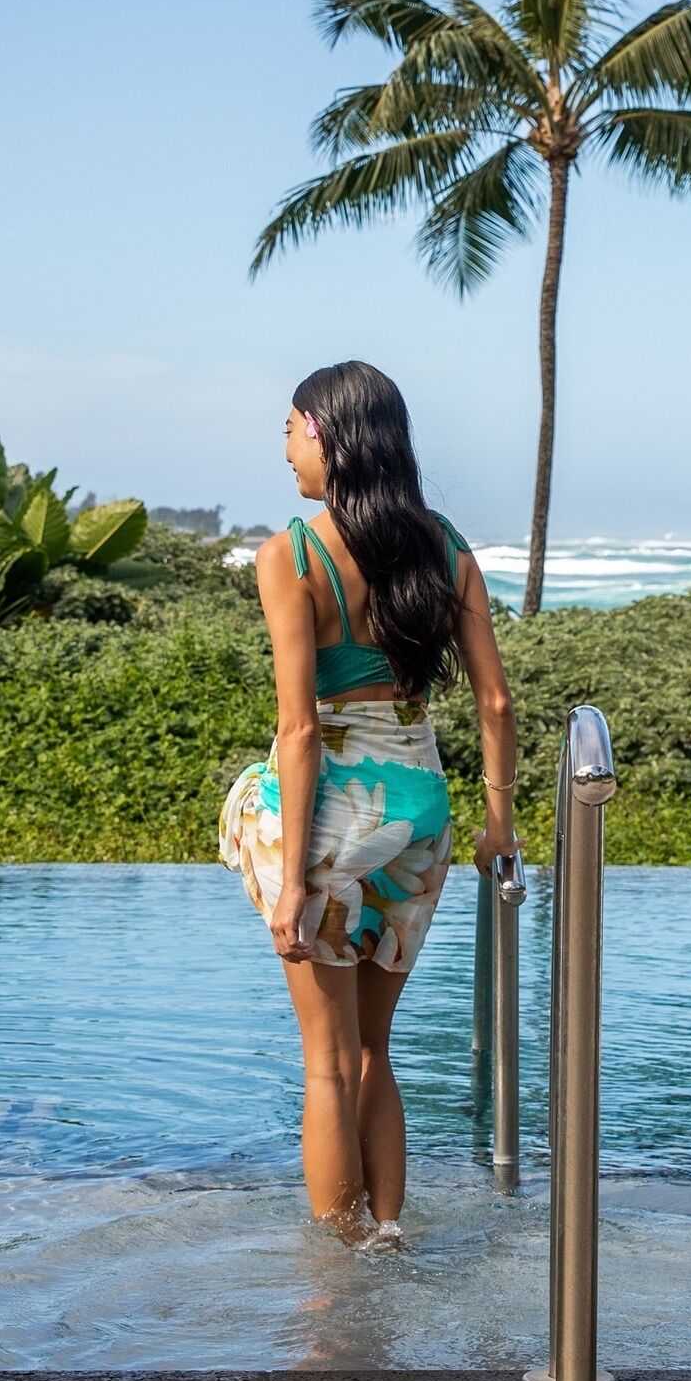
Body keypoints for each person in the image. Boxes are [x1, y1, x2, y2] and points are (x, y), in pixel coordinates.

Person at [220, 360, 519, 1239]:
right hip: (418, 814)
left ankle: (335, 1275)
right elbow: (496, 703)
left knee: (325, 1063)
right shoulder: (445, 545)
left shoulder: (291, 555)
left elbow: (300, 731)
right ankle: (386, 1235)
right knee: (372, 1051)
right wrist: (498, 824)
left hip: (329, 819)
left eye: (290, 430)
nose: (285, 451)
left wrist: (290, 884)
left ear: (325, 433)